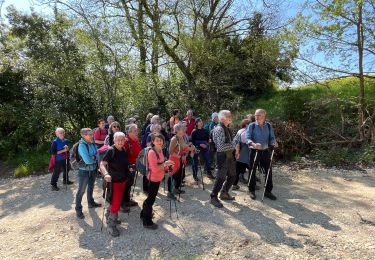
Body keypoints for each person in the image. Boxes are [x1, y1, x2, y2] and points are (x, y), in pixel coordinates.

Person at [140, 133, 174, 229]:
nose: (159, 142)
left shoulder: (160, 151)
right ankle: (147, 222)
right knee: (151, 199)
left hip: (158, 178)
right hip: (152, 179)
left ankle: (143, 214)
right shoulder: (152, 152)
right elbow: (154, 169)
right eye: (157, 140)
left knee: (151, 198)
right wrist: (165, 164)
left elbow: (161, 165)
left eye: (161, 140)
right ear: (153, 142)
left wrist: (168, 166)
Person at [100, 132, 129, 237]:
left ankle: (109, 216)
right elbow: (102, 164)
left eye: (122, 139)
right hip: (114, 181)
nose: (120, 142)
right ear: (114, 140)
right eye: (118, 140)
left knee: (116, 200)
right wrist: (106, 174)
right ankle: (111, 225)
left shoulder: (123, 150)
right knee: (116, 202)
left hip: (122, 180)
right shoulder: (111, 150)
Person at [246, 109, 278, 200]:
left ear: (264, 116)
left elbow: (272, 138)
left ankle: (268, 191)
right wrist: (253, 144)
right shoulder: (252, 126)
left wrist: (274, 142)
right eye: (255, 115)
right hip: (254, 151)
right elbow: (247, 138)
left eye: (258, 115)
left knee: (268, 171)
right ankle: (251, 190)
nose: (256, 117)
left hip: (265, 151)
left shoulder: (268, 125)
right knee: (252, 171)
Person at [210, 110, 236, 208]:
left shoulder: (226, 128)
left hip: (229, 156)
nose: (231, 117)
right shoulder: (219, 129)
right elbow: (220, 147)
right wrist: (234, 144)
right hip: (222, 156)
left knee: (233, 176)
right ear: (223, 117)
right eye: (229, 115)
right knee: (220, 178)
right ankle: (213, 197)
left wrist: (234, 147)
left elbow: (228, 144)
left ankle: (224, 193)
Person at [75, 128, 102, 219]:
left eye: (92, 134)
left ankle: (91, 203)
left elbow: (98, 154)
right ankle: (78, 210)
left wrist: (93, 157)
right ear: (83, 135)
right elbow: (87, 160)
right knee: (81, 191)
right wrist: (94, 157)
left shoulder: (92, 143)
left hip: (93, 170)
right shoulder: (82, 146)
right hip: (84, 171)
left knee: (90, 188)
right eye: (89, 134)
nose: (92, 136)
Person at [121, 123, 142, 210]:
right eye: (135, 131)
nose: (137, 132)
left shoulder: (136, 139)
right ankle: (122, 203)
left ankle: (127, 199)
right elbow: (122, 155)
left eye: (137, 130)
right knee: (125, 184)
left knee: (130, 183)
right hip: (127, 167)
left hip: (134, 166)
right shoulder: (126, 141)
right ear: (129, 132)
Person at [167, 123, 190, 199]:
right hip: (173, 160)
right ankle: (169, 193)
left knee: (179, 175)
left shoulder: (181, 137)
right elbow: (170, 152)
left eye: (183, 129)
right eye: (181, 129)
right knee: (172, 176)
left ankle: (176, 189)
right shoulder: (174, 139)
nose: (183, 130)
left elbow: (183, 147)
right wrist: (180, 156)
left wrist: (189, 148)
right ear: (177, 130)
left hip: (180, 159)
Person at [233, 119, 251, 190]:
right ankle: (252, 185)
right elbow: (247, 142)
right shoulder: (245, 131)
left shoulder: (240, 130)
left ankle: (234, 184)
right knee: (252, 169)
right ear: (246, 125)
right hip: (243, 154)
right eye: (250, 124)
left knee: (237, 170)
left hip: (239, 154)